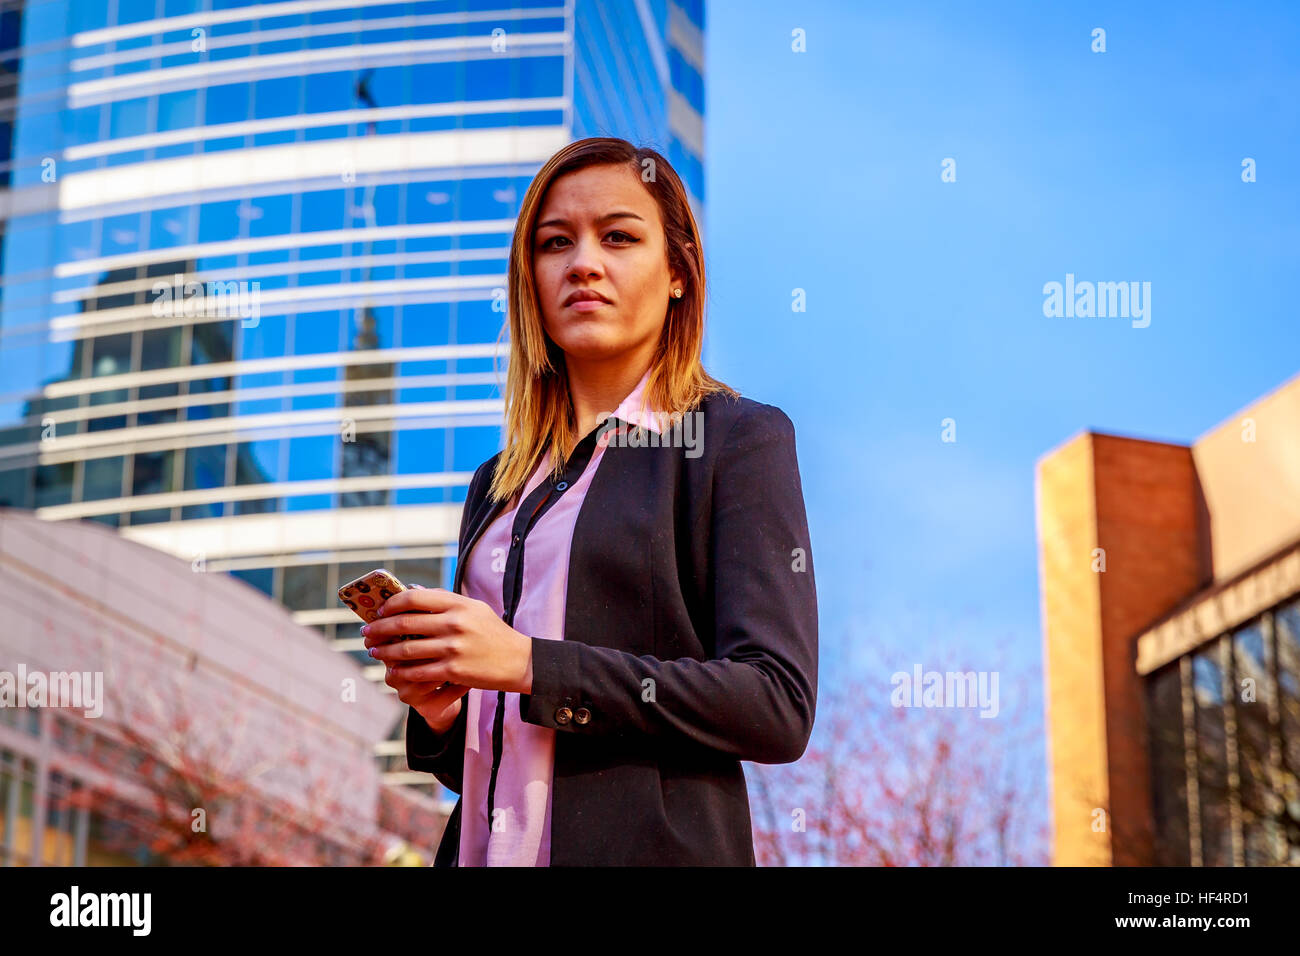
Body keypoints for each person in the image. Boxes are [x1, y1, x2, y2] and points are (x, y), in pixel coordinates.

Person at [362, 137, 818, 866]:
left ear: (677, 273)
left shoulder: (737, 441)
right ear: (530, 279)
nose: (583, 262)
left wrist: (529, 663)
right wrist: (444, 703)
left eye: (618, 236)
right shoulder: (498, 483)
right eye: (554, 243)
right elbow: (500, 755)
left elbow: (776, 704)